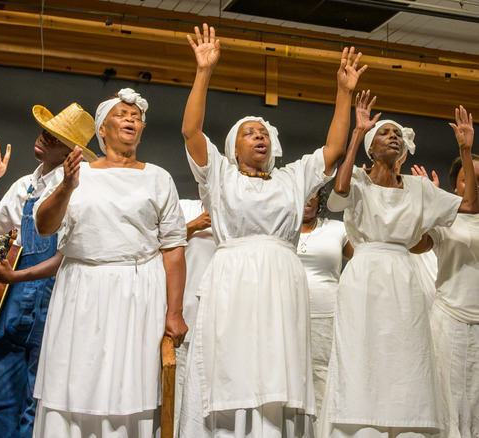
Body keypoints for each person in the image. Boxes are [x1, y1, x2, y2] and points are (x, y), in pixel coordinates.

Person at [178, 24, 365, 437]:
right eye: (249, 132)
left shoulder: (292, 177)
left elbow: (333, 151)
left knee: (276, 370)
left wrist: (344, 93)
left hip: (281, 280)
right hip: (234, 278)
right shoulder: (219, 175)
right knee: (230, 366)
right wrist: (204, 70)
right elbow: (191, 131)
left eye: (263, 132)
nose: (259, 135)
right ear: (233, 147)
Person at [32, 88, 189, 437]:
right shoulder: (76, 173)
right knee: (74, 379)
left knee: (129, 385)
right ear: (101, 128)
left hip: (138, 293)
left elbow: (174, 248)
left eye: (137, 116)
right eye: (121, 113)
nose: (131, 119)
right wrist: (67, 187)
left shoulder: (158, 178)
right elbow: (44, 227)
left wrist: (174, 311)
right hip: (82, 289)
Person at [322, 98, 478, 438]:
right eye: (383, 133)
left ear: (405, 148)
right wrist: (356, 133)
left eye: (397, 134)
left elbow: (468, 204)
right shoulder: (359, 181)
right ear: (371, 149)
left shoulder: (420, 188)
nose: (393, 137)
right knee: (362, 349)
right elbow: (339, 190)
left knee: (406, 354)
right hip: (365, 272)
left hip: (403, 276)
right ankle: (359, 423)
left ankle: (406, 426)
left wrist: (466, 150)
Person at [0, 102, 96, 438]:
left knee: (39, 398)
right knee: (0, 391)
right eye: (44, 133)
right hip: (12, 297)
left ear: (72, 151)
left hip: (56, 296)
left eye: (54, 138)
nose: (42, 140)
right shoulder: (26, 185)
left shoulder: (85, 185)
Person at [413, 152, 479, 438]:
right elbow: (417, 245)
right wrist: (426, 206)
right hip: (450, 318)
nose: (475, 184)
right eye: (468, 178)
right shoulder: (446, 220)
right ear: (456, 186)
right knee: (449, 402)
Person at [295, 184, 352, 431]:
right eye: (303, 194)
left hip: (326, 317)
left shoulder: (337, 229)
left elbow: (364, 261)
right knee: (291, 380)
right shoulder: (279, 228)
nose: (308, 200)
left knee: (323, 379)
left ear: (320, 198)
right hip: (286, 316)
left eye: (314, 194)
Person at [174, 197, 214, 436]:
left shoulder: (240, 214)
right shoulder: (183, 207)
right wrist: (193, 226)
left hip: (222, 324)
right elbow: (157, 245)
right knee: (180, 396)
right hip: (185, 319)